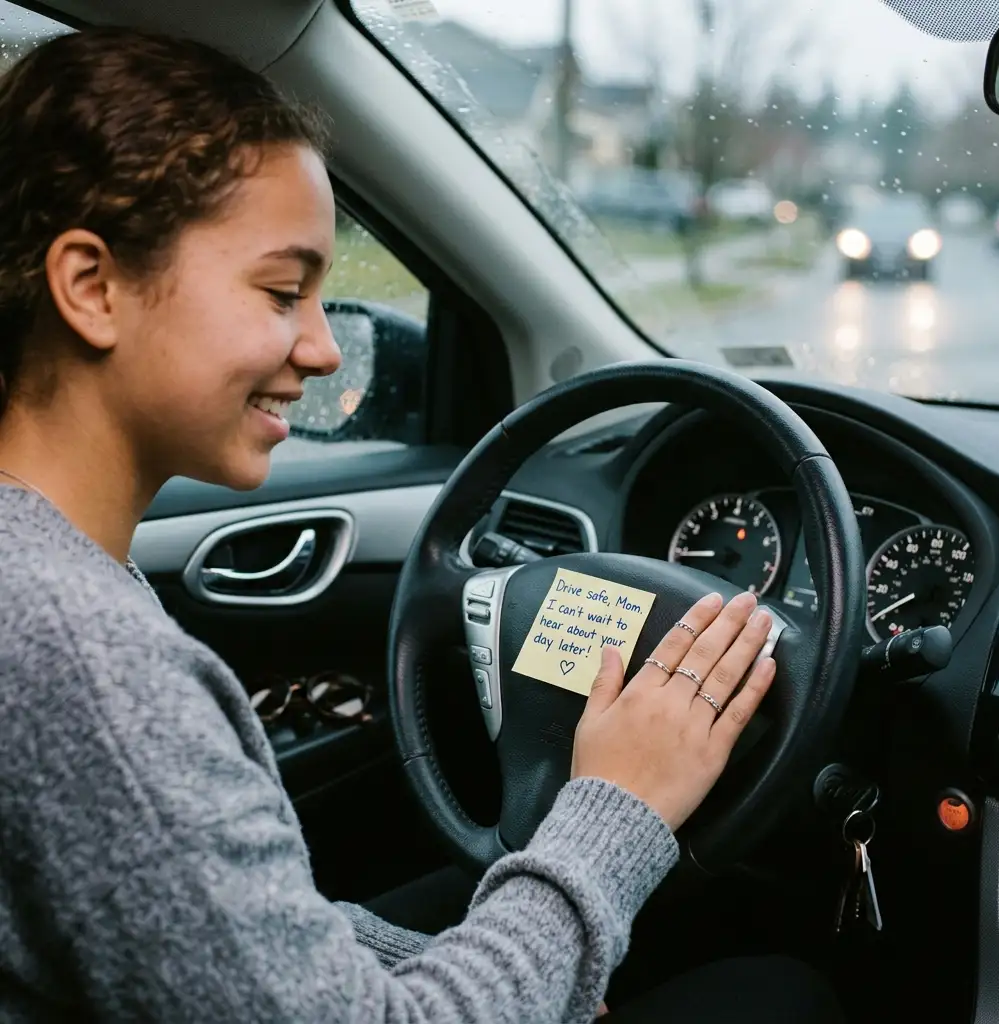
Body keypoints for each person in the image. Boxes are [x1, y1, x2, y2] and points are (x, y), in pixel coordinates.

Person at [0, 27, 843, 1023]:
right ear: (92, 286)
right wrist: (619, 802)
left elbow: (227, 938)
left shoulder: (55, 576)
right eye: (281, 292)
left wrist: (519, 962)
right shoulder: (81, 652)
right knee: (777, 991)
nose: (324, 348)